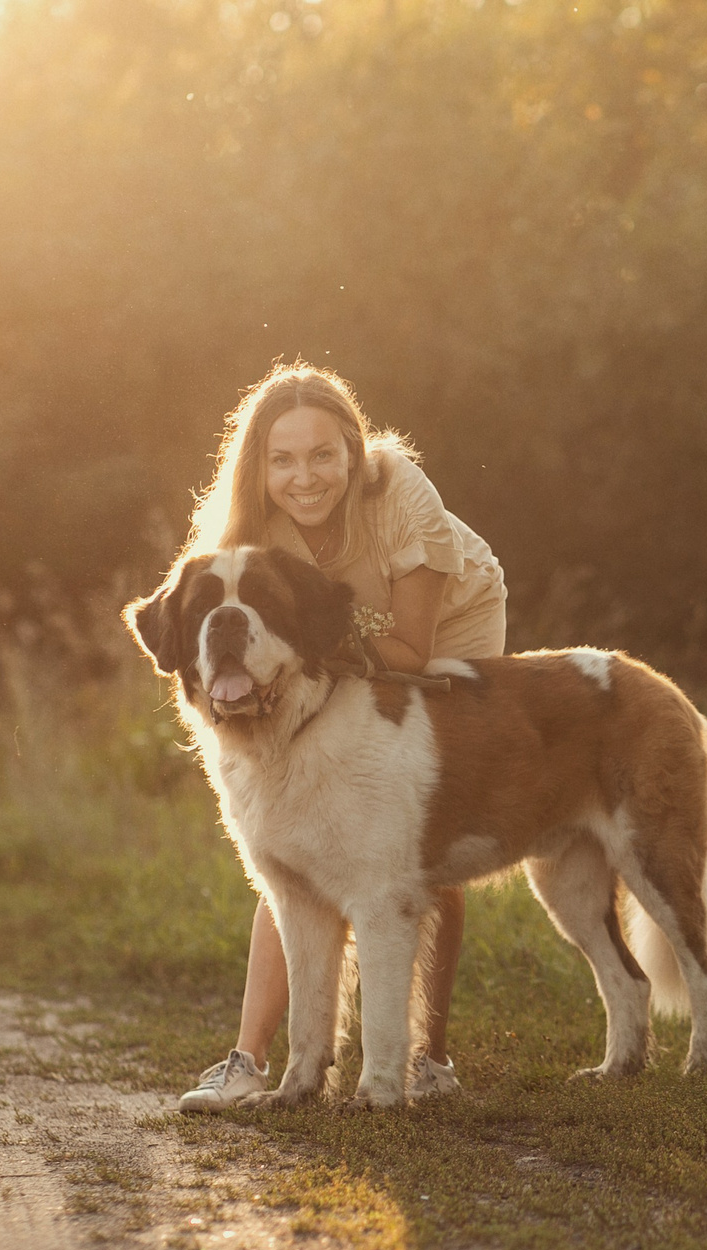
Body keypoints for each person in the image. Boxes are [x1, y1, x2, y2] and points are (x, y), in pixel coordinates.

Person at [175, 363, 508, 1110]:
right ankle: (249, 1060)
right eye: (283, 459)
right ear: (258, 465)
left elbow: (410, 653)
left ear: (353, 453)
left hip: (442, 625)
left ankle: (430, 1058)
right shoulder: (249, 527)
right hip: (328, 648)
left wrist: (303, 650)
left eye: (322, 455)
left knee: (422, 828)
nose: (304, 477)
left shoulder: (401, 492)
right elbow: (211, 625)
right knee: (295, 838)